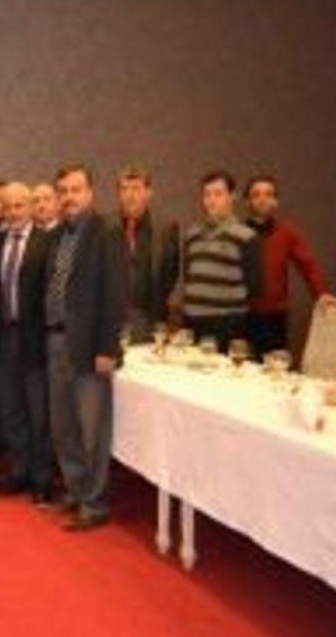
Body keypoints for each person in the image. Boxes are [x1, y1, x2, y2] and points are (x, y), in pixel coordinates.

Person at [44, 165, 125, 531]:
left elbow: (115, 293)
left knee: (92, 428)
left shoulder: (106, 232)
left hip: (90, 345)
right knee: (63, 425)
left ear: (91, 192)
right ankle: (76, 489)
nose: (68, 197)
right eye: (63, 190)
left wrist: (108, 348)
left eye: (75, 189)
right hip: (54, 340)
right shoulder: (57, 235)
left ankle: (94, 502)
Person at [0, 182, 53, 503]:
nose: (12, 212)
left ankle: (42, 480)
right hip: (3, 338)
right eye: (7, 206)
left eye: (19, 205)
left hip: (36, 338)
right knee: (10, 410)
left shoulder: (47, 242)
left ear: (31, 207)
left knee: (39, 412)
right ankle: (20, 470)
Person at [244, 175, 336, 355]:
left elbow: (308, 264)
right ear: (247, 201)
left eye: (268, 194)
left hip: (275, 317)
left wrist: (321, 293)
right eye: (256, 195)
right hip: (242, 314)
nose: (262, 199)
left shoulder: (287, 233)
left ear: (276, 201)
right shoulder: (237, 234)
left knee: (274, 367)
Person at [180, 171, 264, 348]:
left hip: (227, 324)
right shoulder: (191, 235)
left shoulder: (246, 236)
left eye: (218, 194)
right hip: (192, 321)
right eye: (207, 194)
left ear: (232, 197)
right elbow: (189, 277)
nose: (211, 200)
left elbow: (255, 286)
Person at [106, 166, 180, 341]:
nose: (130, 195)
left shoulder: (166, 228)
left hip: (151, 316)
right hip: (112, 318)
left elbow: (171, 273)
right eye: (124, 189)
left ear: (148, 192)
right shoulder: (103, 226)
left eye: (136, 188)